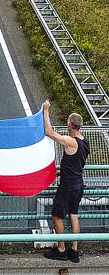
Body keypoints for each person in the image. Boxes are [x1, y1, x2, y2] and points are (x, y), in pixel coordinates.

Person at [43, 100, 90, 263]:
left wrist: (46, 111)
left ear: (70, 125)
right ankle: (74, 251)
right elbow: (76, 162)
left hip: (67, 186)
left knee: (56, 216)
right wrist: (62, 171)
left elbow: (49, 132)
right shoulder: (85, 141)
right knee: (74, 215)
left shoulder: (71, 141)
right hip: (78, 184)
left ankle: (61, 250)